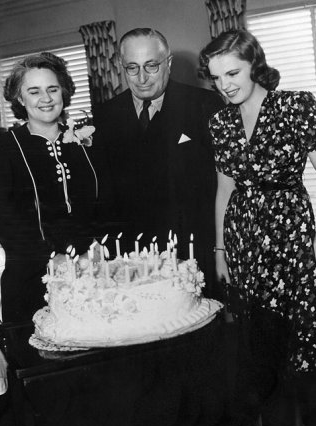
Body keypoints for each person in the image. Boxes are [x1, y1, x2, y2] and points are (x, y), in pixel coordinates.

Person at [200, 30, 316, 426]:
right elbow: (224, 189)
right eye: (217, 78)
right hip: (242, 238)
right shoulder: (220, 121)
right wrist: (220, 250)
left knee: (284, 338)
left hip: (287, 233)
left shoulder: (295, 106)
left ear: (254, 66)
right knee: (254, 337)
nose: (225, 85)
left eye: (233, 73)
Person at [95, 28, 224, 294]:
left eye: (151, 66)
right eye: (132, 68)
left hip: (192, 254)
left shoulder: (206, 105)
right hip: (131, 262)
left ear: (168, 63)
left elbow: (220, 188)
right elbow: (104, 197)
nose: (142, 78)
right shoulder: (105, 116)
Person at [0, 52, 99, 322]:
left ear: (63, 92)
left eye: (52, 89)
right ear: (20, 99)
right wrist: (49, 257)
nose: (46, 99)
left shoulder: (86, 140)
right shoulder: (2, 148)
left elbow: (101, 204)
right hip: (33, 278)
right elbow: (3, 216)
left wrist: (96, 245)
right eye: (34, 91)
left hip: (90, 271)